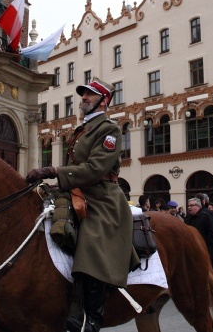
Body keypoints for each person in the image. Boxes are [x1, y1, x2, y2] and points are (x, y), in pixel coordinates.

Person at [25, 78, 139, 332]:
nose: (84, 98)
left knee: (91, 242)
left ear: (104, 100)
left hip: (102, 198)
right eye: (84, 94)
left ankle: (92, 317)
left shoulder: (109, 129)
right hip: (76, 190)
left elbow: (95, 169)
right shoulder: (83, 129)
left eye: (90, 94)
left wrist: (53, 170)